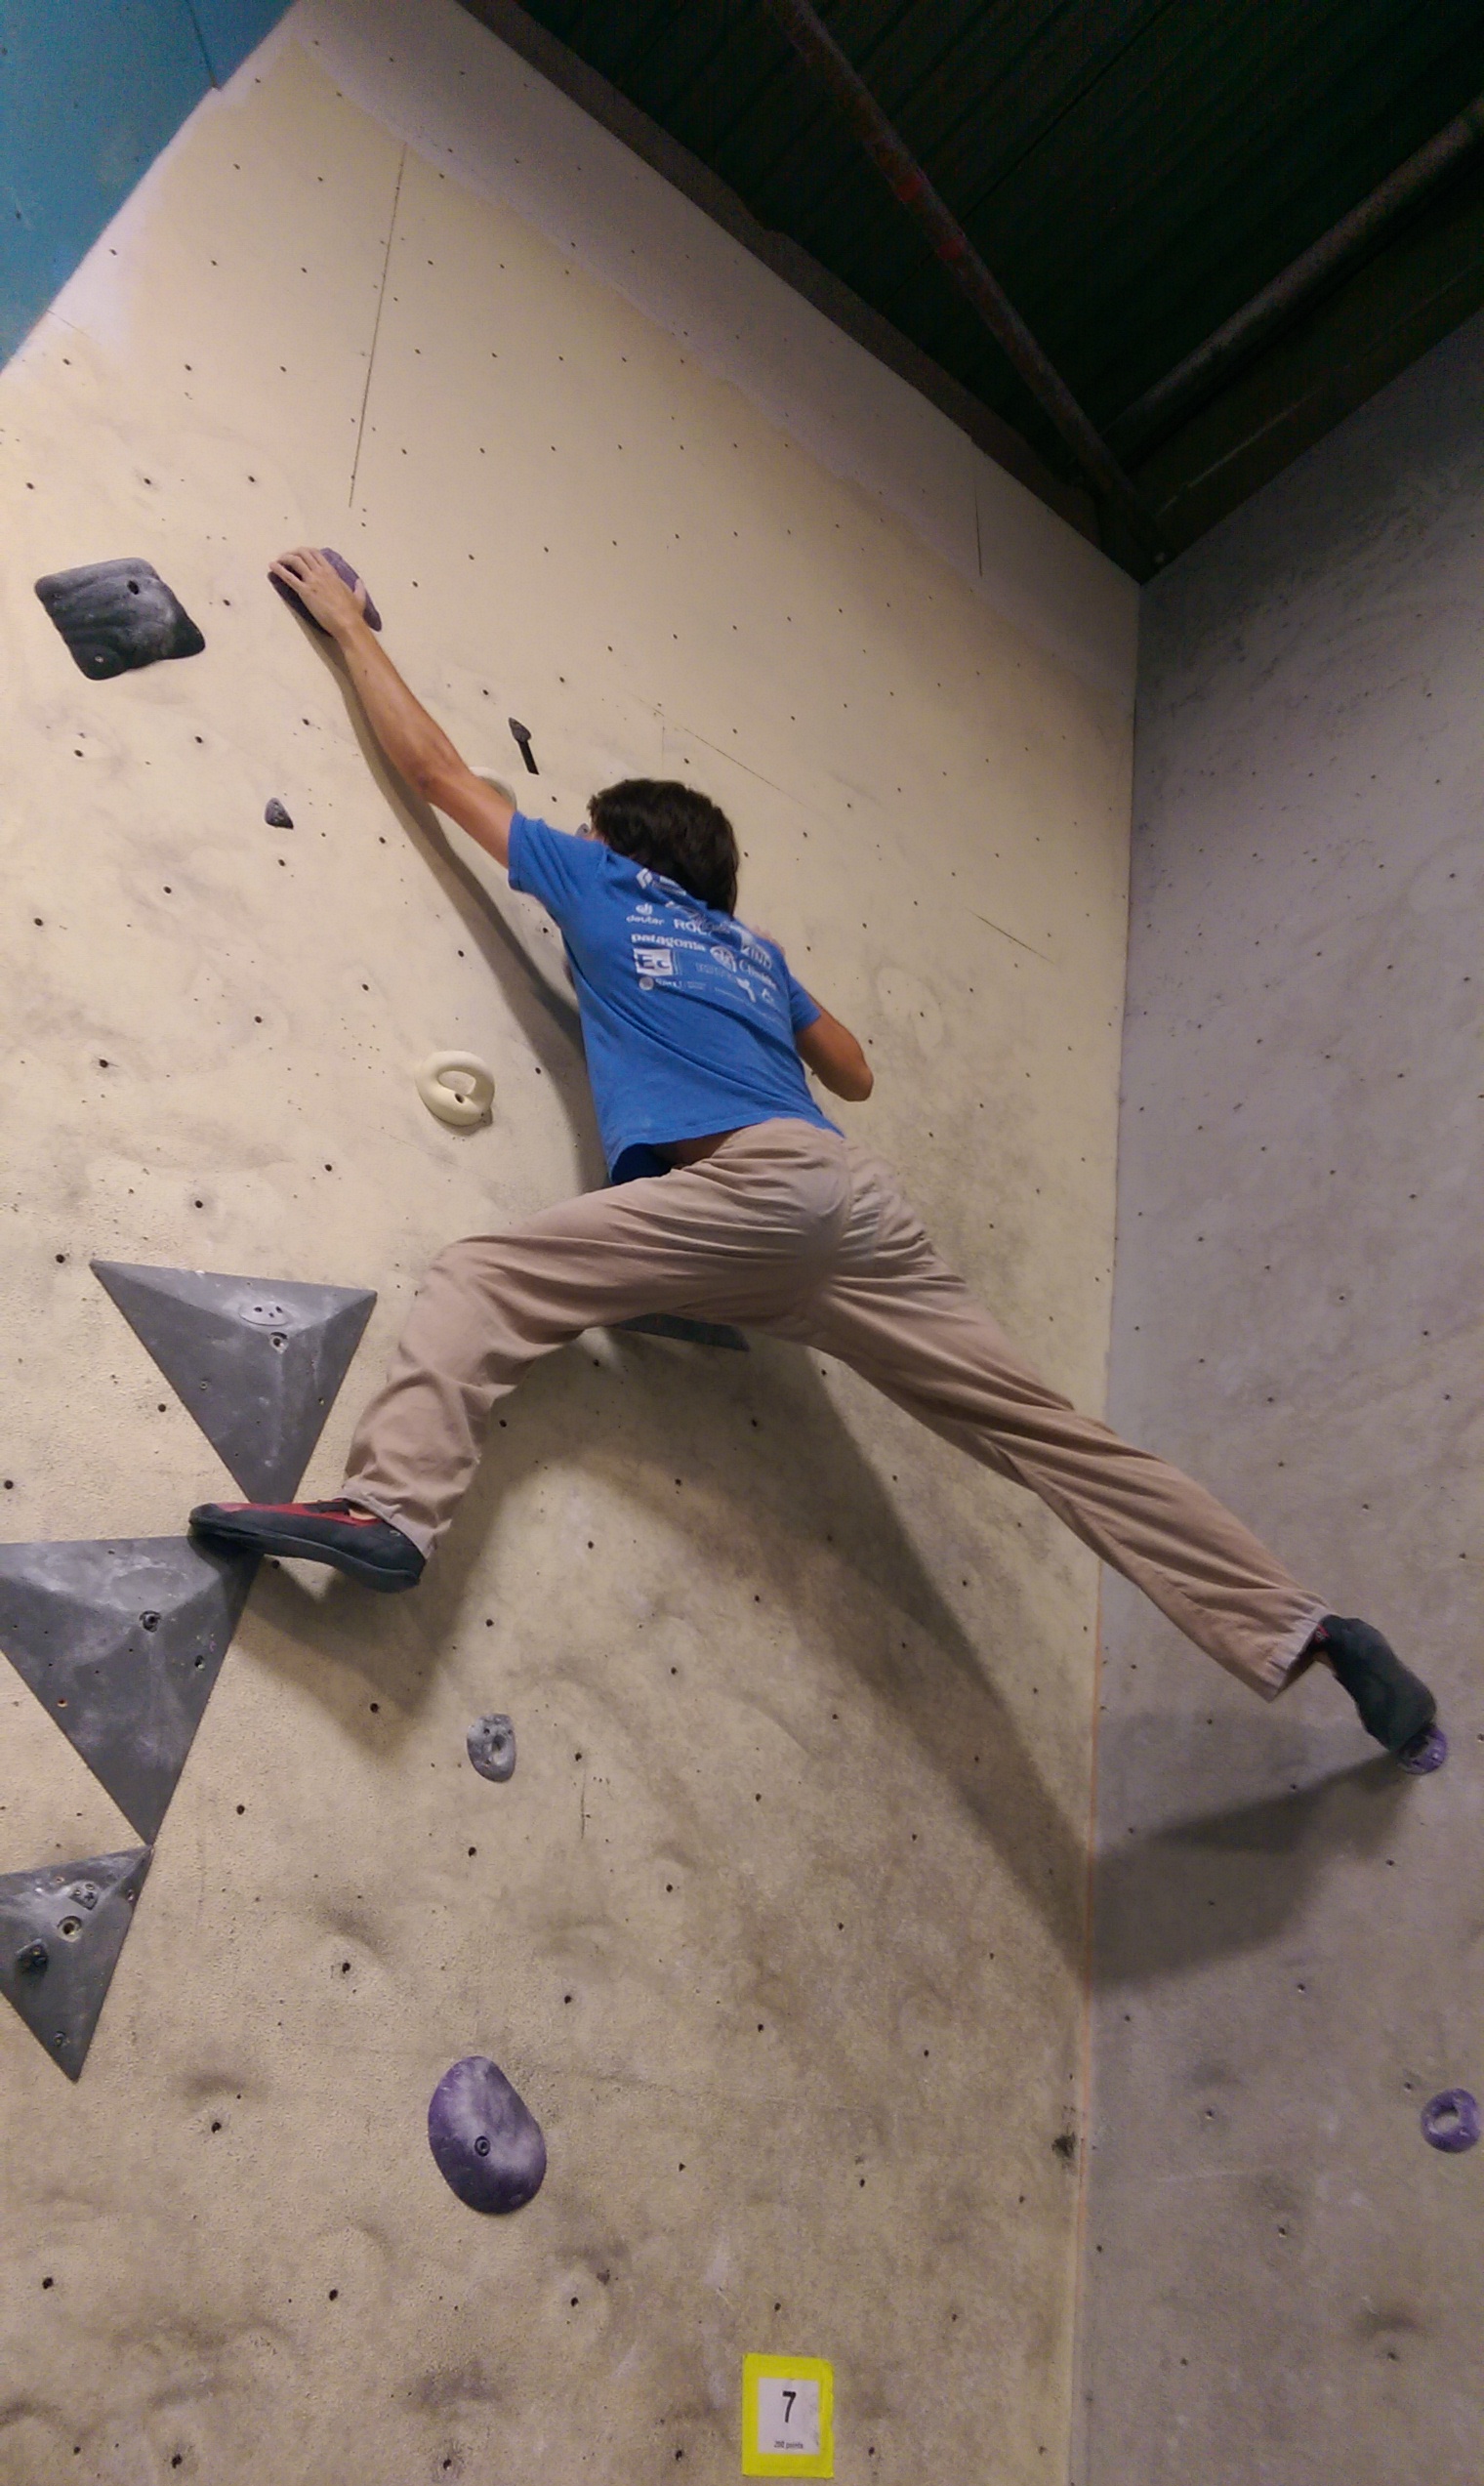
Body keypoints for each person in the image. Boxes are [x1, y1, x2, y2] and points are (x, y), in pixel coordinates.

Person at [190, 548, 1445, 1770]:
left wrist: (353, 629)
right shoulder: (756, 950)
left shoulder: (599, 880)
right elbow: (852, 1070)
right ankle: (1305, 1628)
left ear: (625, 846)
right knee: (1055, 1437)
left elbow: (433, 771)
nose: (568, 835)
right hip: (849, 1214)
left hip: (752, 1201)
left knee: (483, 1274)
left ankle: (389, 1510)